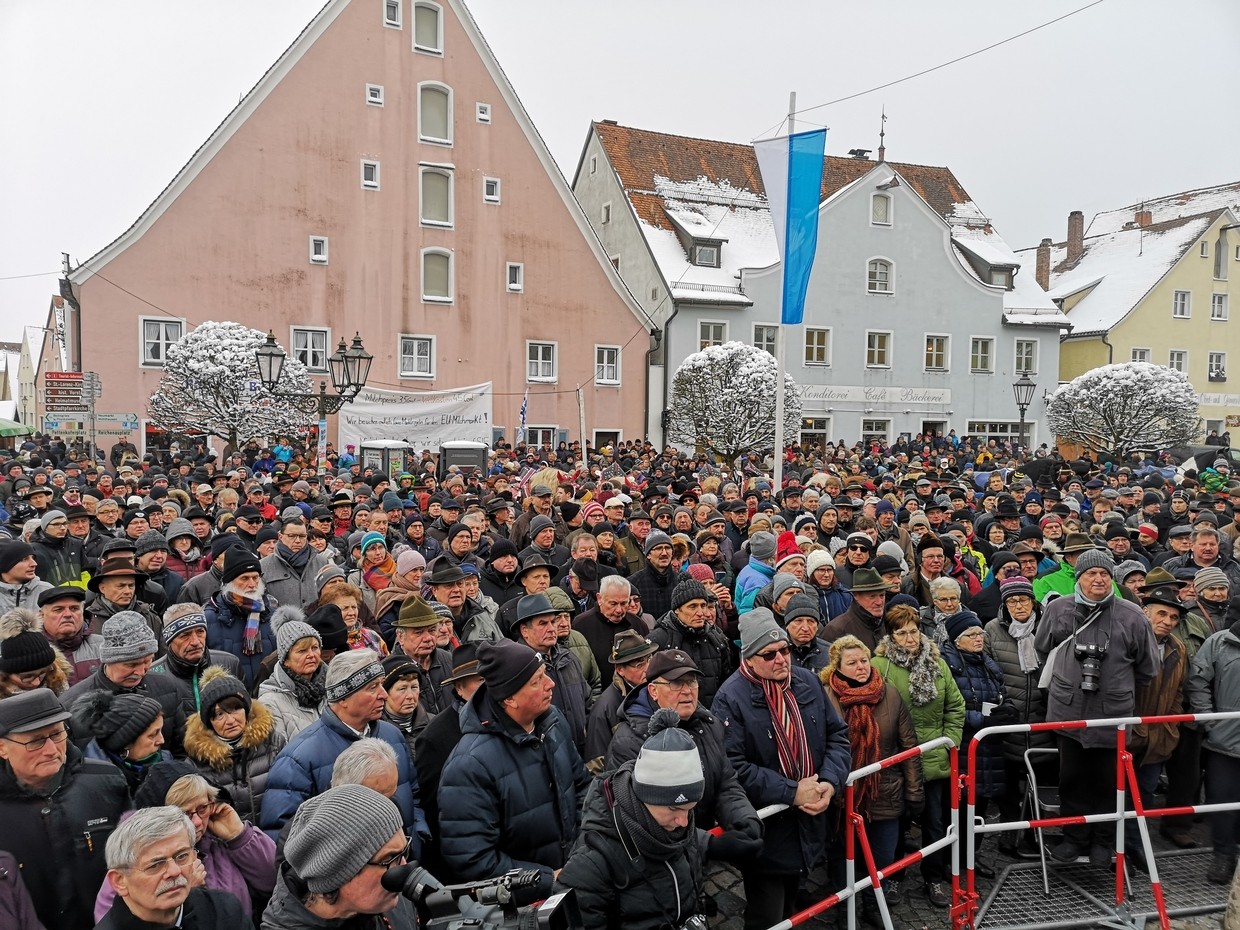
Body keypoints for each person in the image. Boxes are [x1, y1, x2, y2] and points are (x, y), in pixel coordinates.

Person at [712, 610, 852, 930]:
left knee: (792, 908)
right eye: (769, 654)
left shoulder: (807, 681)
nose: (781, 659)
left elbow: (837, 736)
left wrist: (829, 782)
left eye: (785, 650)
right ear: (748, 658)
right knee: (768, 915)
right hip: (768, 832)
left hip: (810, 821)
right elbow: (733, 767)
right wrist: (792, 792)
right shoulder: (729, 698)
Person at [438, 638, 591, 898]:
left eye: (545, 674)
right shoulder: (469, 765)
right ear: (510, 698)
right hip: (525, 906)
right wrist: (548, 879)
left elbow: (582, 788)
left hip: (575, 880)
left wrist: (581, 853)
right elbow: (473, 860)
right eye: (537, 681)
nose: (550, 684)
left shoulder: (552, 722)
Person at [1036, 547, 1158, 868]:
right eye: (1091, 573)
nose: (1098, 579)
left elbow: (1148, 668)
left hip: (1113, 716)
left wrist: (1117, 686)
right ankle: (1073, 838)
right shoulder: (1058, 609)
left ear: (1112, 578)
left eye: (1104, 573)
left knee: (1109, 783)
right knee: (1071, 780)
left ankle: (1104, 841)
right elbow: (1042, 648)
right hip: (1068, 713)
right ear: (1078, 577)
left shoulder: (1132, 616)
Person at [554, 714, 713, 930]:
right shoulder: (591, 864)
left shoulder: (674, 826)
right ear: (645, 797)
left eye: (689, 809)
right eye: (674, 808)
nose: (684, 822)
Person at [260, 649, 429, 846]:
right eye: (372, 687)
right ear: (343, 697)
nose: (383, 694)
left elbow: (413, 793)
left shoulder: (392, 735)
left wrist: (418, 834)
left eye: (382, 685)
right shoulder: (298, 759)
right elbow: (282, 836)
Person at [0, 688, 129, 930]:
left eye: (57, 734)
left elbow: (133, 859)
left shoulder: (105, 780)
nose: (51, 750)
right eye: (35, 741)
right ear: (2, 748)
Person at [605, 649, 762, 841]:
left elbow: (725, 783)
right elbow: (637, 816)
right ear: (653, 691)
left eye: (691, 681)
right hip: (664, 853)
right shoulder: (630, 741)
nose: (687, 690)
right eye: (676, 683)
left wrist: (744, 818)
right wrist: (707, 844)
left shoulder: (709, 725)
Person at [820, 635, 923, 918]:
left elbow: (908, 746)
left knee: (883, 856)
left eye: (864, 660)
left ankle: (873, 904)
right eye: (852, 663)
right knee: (842, 855)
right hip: (843, 795)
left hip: (884, 791)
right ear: (837, 667)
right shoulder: (826, 696)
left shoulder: (889, 694)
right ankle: (846, 908)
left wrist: (914, 792)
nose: (861, 667)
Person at [93, 763, 277, 921]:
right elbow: (109, 918)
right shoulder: (133, 851)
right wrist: (186, 893)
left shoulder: (217, 839)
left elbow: (273, 881)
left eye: (202, 808)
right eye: (184, 813)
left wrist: (240, 836)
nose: (197, 822)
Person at [870, 603, 965, 907]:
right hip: (897, 760)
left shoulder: (938, 663)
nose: (910, 638)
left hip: (935, 757)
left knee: (935, 823)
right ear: (890, 636)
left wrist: (950, 742)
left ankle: (933, 877)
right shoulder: (879, 666)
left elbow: (955, 706)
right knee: (896, 823)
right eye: (901, 633)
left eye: (913, 631)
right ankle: (894, 877)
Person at [261, 784, 417, 929]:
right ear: (337, 872)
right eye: (389, 858)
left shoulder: (387, 899)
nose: (404, 867)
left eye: (404, 852)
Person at [940, 610, 1012, 878]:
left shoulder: (987, 662)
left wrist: (1007, 710)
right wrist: (981, 719)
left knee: (980, 803)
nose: (978, 638)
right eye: (971, 634)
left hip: (988, 746)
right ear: (956, 640)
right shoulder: (946, 665)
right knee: (957, 806)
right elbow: (947, 707)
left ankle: (972, 854)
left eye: (980, 632)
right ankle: (950, 859)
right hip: (963, 746)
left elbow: (1002, 692)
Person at [97, 806, 252, 930]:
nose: (175, 871)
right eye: (155, 865)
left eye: (181, 856)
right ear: (119, 881)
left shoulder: (224, 911)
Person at [60, 611, 187, 758]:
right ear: (108, 660)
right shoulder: (70, 705)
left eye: (148, 661)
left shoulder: (167, 687)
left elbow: (181, 750)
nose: (140, 672)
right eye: (131, 664)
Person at [412, 643, 482, 872]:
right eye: (480, 680)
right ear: (459, 688)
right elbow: (435, 810)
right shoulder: (434, 738)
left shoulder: (504, 721)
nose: (489, 687)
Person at [184, 668, 286, 824]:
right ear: (209, 721)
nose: (230, 721)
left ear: (246, 709)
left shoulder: (274, 743)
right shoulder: (196, 762)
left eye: (235, 709)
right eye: (219, 714)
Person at [648, 577, 734, 708]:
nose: (700, 613)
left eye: (703, 605)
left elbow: (726, 684)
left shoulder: (717, 638)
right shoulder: (659, 641)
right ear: (677, 609)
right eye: (692, 606)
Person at [204, 546, 278, 690]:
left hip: (269, 695)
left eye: (255, 578)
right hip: (231, 696)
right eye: (244, 578)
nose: (252, 584)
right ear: (229, 581)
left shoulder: (273, 615)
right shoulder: (209, 619)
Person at [74, 689, 172, 796]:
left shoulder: (166, 760)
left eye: (160, 731)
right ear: (126, 743)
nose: (161, 740)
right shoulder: (96, 784)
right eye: (153, 735)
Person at [150, 603, 242, 717]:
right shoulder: (152, 675)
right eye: (185, 635)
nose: (195, 642)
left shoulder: (230, 663)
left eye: (200, 632)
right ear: (169, 640)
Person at [584, 629, 657, 771]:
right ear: (620, 670)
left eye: (649, 660)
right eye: (639, 665)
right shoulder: (604, 709)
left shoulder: (658, 689)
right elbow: (596, 765)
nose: (647, 669)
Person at [257, 609, 328, 743]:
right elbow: (278, 750)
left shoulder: (332, 686)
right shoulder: (270, 702)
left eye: (315, 648)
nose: (311, 655)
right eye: (302, 651)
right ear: (285, 659)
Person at [38, 584, 103, 686]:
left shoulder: (103, 646)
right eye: (58, 609)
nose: (68, 614)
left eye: (74, 608)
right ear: (42, 615)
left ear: (82, 612)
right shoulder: (31, 652)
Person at [0, 606, 72, 698]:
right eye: (27, 677)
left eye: (42, 673)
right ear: (6, 674)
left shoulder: (57, 681)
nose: (36, 682)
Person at [380, 653, 435, 758]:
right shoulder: (376, 732)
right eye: (402, 689)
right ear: (385, 693)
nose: (410, 696)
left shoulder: (434, 724)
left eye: (414, 687)